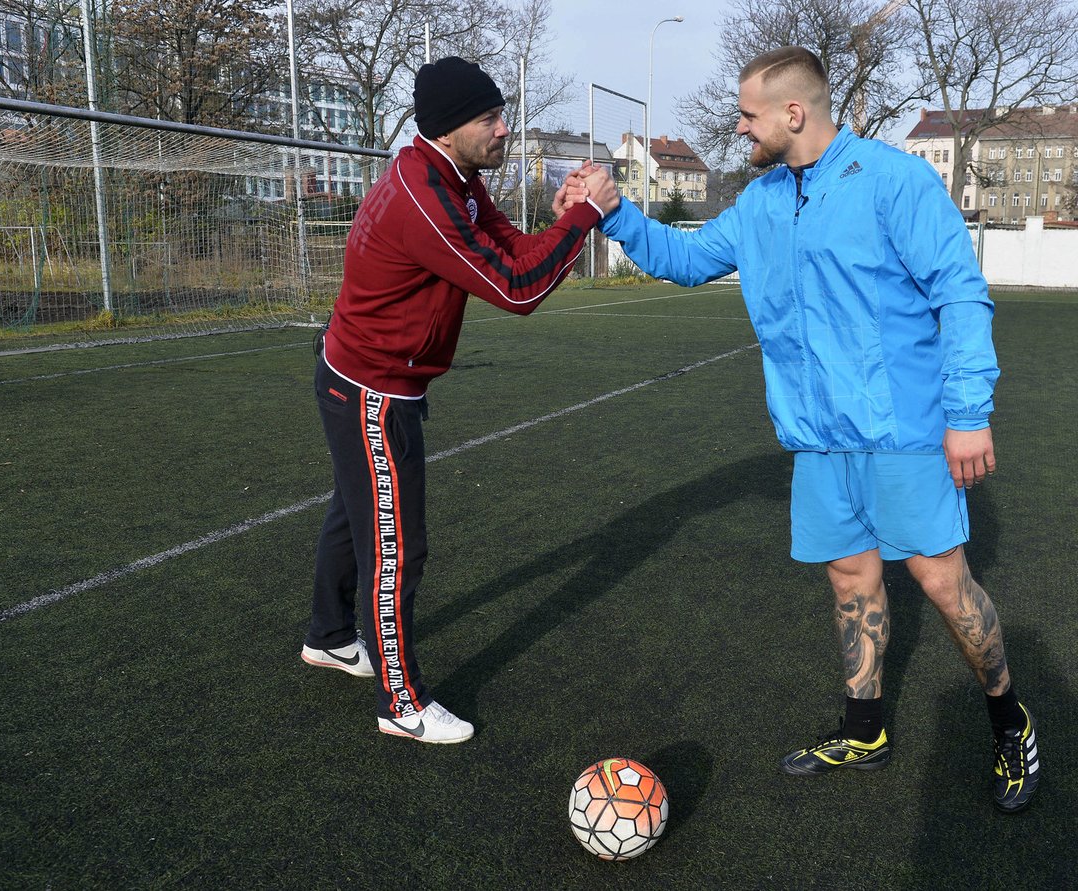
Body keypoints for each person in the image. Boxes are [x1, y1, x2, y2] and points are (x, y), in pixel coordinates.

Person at [570, 46, 1039, 811]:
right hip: (818, 440)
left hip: (905, 434)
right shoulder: (760, 203)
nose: (739, 125)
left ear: (794, 113)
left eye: (749, 114)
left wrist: (967, 414)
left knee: (943, 585)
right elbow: (687, 259)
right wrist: (614, 211)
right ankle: (864, 730)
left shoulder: (893, 181)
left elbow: (960, 292)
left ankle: (1008, 720)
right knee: (850, 580)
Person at [301, 56, 619, 744]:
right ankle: (401, 702)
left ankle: (328, 635)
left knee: (355, 515)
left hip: (367, 377)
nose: (505, 128)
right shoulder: (426, 195)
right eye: (490, 119)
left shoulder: (455, 179)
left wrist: (565, 217)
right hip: (371, 390)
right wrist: (591, 212)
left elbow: (515, 252)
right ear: (449, 129)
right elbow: (518, 290)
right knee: (396, 547)